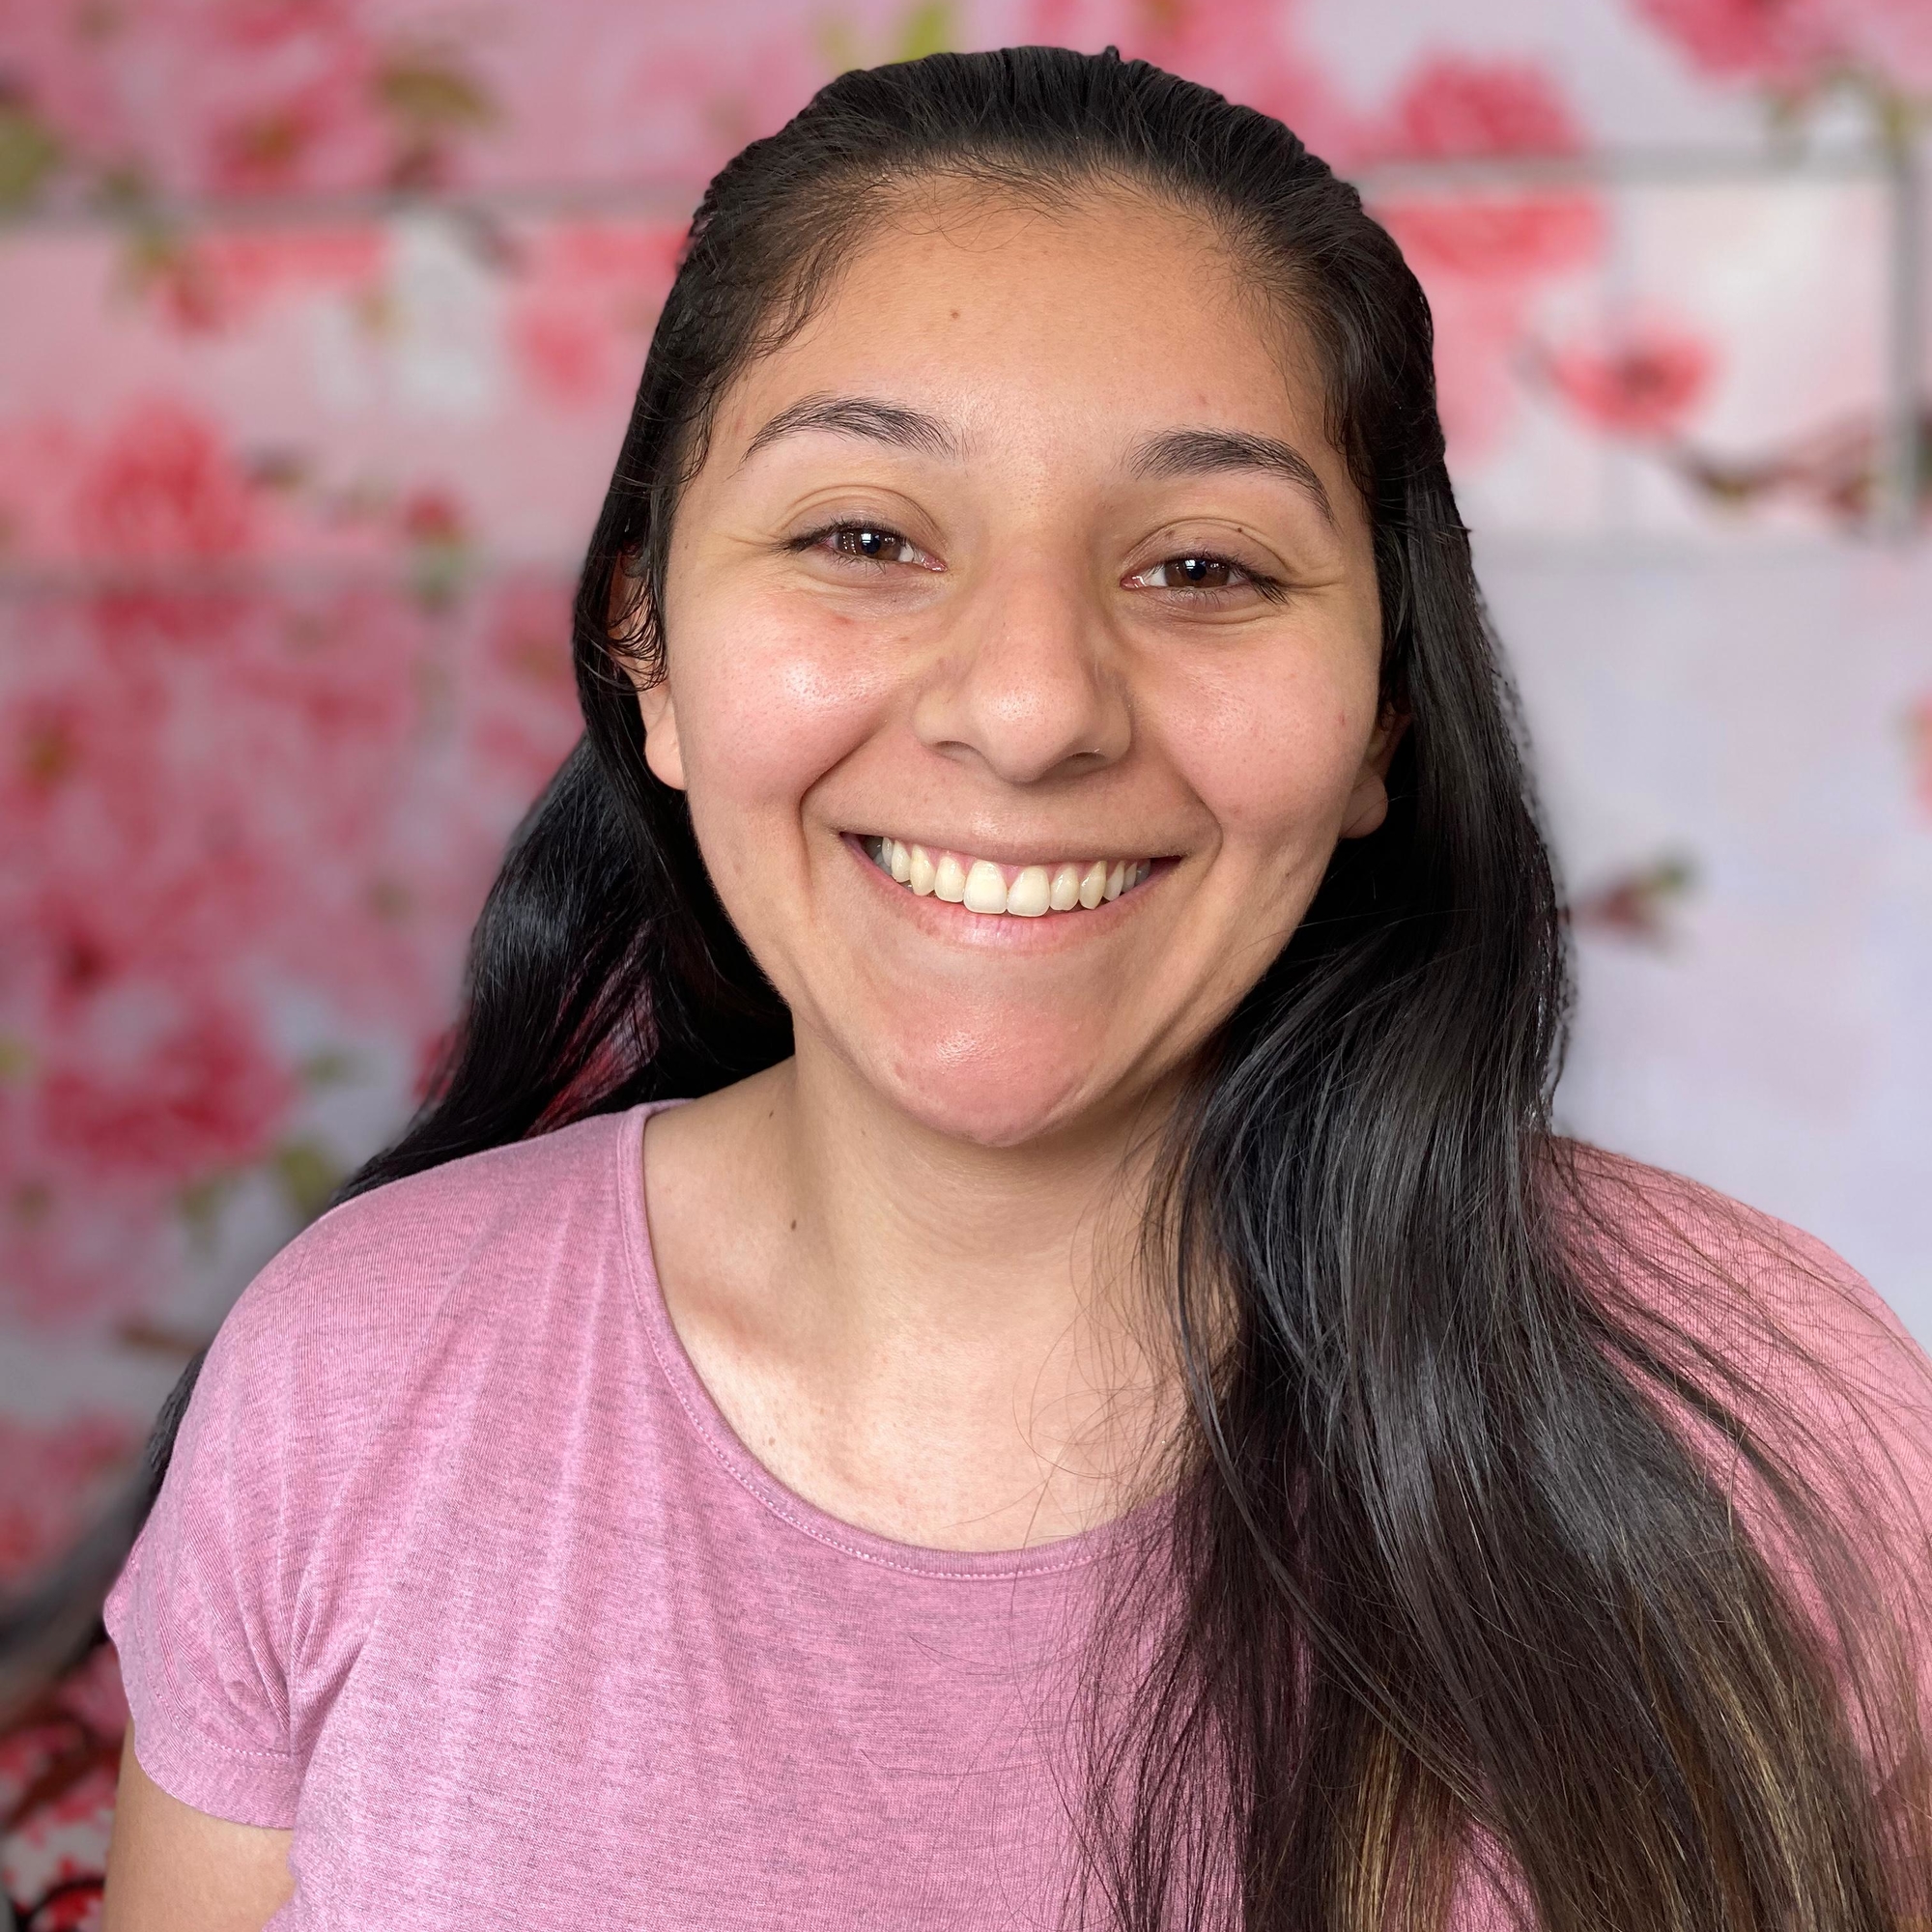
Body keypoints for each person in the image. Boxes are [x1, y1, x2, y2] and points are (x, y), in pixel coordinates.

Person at [98, 44, 1930, 1932]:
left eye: (1201, 566)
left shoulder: (1766, 1429)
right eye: (865, 539)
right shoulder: (353, 1378)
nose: (1034, 705)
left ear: (1385, 707)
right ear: (648, 640)